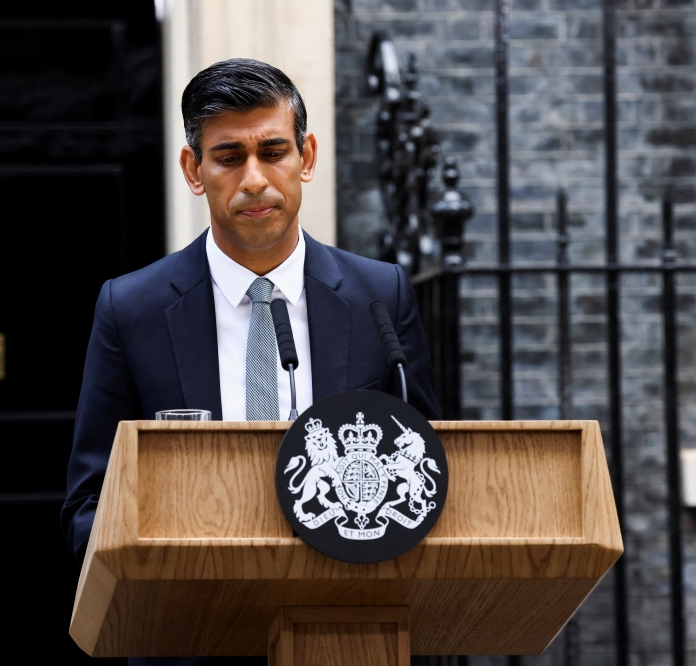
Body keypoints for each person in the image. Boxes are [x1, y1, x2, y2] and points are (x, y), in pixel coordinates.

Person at [62, 58, 439, 666]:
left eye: (273, 151)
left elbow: (427, 475)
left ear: (306, 157)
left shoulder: (380, 296)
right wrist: (163, 580)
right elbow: (90, 504)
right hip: (186, 638)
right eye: (229, 157)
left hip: (345, 635)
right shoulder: (131, 309)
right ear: (194, 170)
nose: (255, 179)